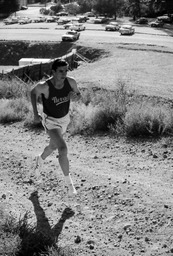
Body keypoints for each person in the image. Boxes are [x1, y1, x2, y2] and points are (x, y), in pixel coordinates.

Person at [30, 58, 81, 196]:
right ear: (53, 72)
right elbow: (33, 93)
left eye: (66, 70)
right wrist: (36, 114)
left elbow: (78, 95)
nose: (64, 74)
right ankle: (70, 187)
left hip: (64, 120)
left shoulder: (71, 82)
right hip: (50, 121)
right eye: (60, 71)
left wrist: (75, 97)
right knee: (62, 148)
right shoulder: (45, 86)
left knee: (52, 146)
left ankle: (39, 159)